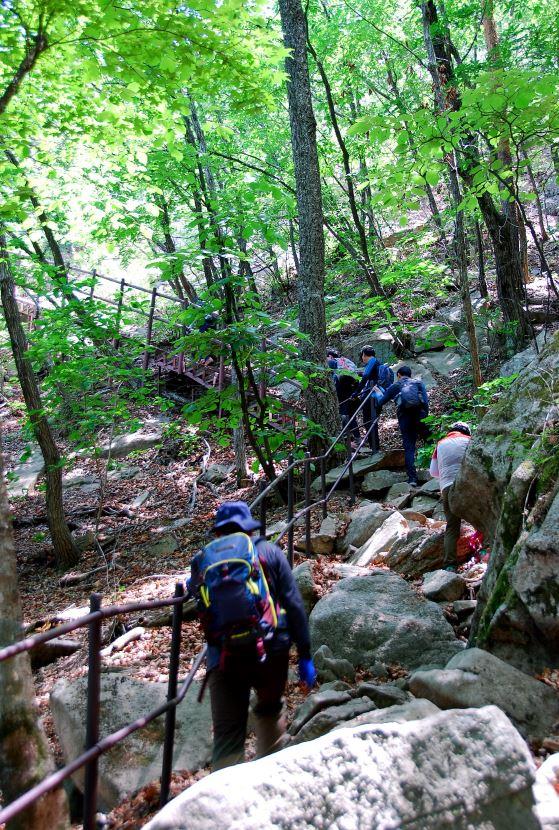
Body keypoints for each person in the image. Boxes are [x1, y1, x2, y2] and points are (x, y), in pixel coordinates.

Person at [188, 501, 315, 771]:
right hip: (270, 652)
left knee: (227, 734)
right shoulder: (269, 552)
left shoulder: (202, 561)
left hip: (223, 657)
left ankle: (224, 803)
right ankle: (268, 781)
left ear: (219, 532)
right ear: (248, 526)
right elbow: (293, 605)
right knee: (269, 711)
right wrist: (305, 655)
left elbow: (196, 600)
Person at [376, 365, 429, 486]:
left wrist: (379, 393)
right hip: (420, 415)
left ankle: (412, 479)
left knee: (409, 447)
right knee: (429, 441)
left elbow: (380, 402)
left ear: (399, 375)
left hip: (405, 417)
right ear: (409, 374)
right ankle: (436, 470)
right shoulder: (418, 383)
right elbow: (425, 401)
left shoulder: (395, 386)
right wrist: (426, 416)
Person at [429, 422, 472, 571]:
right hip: (466, 484)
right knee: (480, 519)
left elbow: (433, 472)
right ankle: (484, 551)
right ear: (466, 431)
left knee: (452, 527)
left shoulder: (440, 444)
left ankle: (450, 565)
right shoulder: (469, 441)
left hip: (447, 486)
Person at [327, 352, 360, 444]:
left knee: (344, 415)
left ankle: (345, 438)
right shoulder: (345, 362)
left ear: (330, 356)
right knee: (351, 416)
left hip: (342, 392)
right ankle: (357, 438)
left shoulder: (331, 363)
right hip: (352, 391)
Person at [354, 346, 381, 452]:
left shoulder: (372, 361)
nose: (362, 358)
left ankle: (374, 447)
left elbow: (366, 376)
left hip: (371, 396)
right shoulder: (377, 363)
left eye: (362, 356)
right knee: (371, 421)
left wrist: (357, 391)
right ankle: (374, 446)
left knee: (368, 420)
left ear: (364, 355)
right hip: (376, 395)